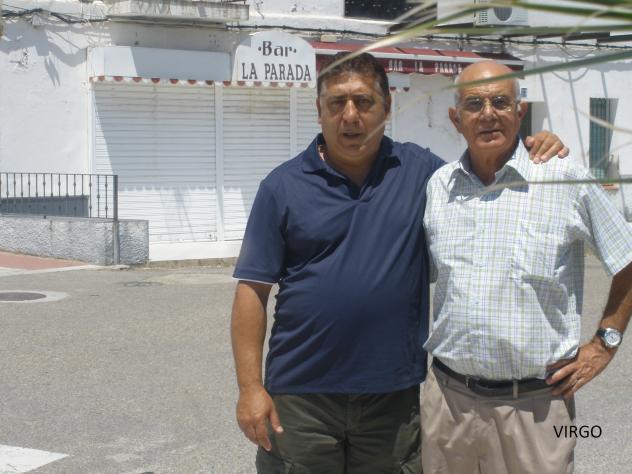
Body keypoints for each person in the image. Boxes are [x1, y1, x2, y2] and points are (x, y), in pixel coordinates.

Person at [231, 52, 566, 473]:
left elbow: (485, 178)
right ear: (319, 110)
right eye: (337, 103)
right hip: (301, 397)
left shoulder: (423, 174)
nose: (350, 116)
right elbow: (252, 290)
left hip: (393, 398)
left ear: (387, 108)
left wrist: (530, 144)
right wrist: (250, 388)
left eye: (363, 102)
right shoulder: (281, 187)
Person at [421, 60, 632, 474]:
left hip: (536, 411)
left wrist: (605, 342)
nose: (488, 114)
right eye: (474, 104)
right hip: (448, 406)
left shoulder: (563, 179)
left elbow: (627, 257)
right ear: (456, 119)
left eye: (501, 102)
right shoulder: (439, 188)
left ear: (520, 111)